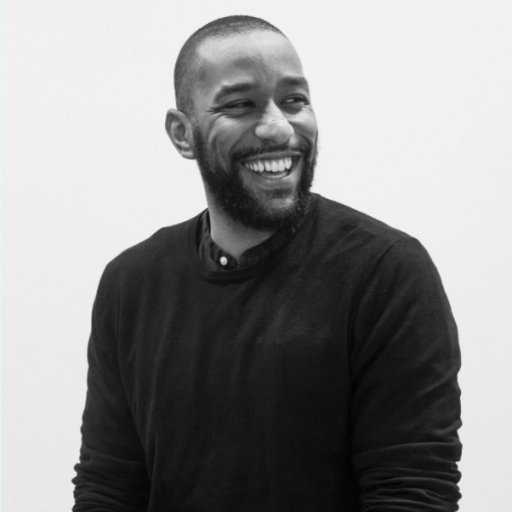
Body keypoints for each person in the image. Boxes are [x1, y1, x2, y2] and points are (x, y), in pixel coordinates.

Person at [72, 15, 462, 512]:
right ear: (182, 133)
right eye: (240, 105)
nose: (279, 126)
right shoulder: (131, 284)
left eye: (294, 100)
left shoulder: (386, 273)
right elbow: (109, 487)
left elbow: (412, 493)